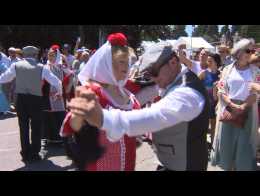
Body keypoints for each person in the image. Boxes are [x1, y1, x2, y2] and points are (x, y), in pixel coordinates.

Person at [67, 41, 210, 171]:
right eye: (148, 75)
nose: (152, 79)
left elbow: (157, 115)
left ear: (173, 62)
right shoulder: (95, 91)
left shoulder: (188, 92)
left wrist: (104, 118)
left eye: (153, 72)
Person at [60, 33, 140, 171]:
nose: (126, 66)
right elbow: (71, 127)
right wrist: (79, 113)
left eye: (128, 62)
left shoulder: (130, 96)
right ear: (106, 63)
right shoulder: (93, 92)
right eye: (121, 61)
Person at [0, 46, 62, 163]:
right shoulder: (41, 67)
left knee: (23, 127)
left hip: (21, 100)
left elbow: (5, 78)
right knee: (36, 127)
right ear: (35, 55)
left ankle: (25, 152)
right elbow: (56, 81)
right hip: (36, 100)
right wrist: (60, 92)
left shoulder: (16, 66)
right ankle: (35, 153)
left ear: (24, 55)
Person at [211, 39, 260, 171]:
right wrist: (231, 104)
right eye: (248, 51)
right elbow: (221, 89)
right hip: (229, 109)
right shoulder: (227, 69)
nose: (251, 53)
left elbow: (257, 93)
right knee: (227, 144)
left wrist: (243, 107)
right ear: (238, 52)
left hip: (248, 111)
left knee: (244, 146)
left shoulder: (256, 71)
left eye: (253, 51)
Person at [41, 45, 67, 153]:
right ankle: (49, 138)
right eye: (49, 55)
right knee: (48, 116)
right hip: (47, 94)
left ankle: (60, 139)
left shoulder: (61, 66)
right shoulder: (45, 66)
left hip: (59, 95)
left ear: (57, 56)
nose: (50, 57)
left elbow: (67, 78)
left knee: (58, 115)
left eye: (52, 55)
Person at [198, 53, 221, 149]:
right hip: (206, 102)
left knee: (214, 124)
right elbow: (196, 85)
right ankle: (202, 144)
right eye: (208, 60)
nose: (208, 62)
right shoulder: (203, 73)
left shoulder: (221, 74)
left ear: (216, 62)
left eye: (210, 60)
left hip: (216, 101)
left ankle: (212, 145)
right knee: (204, 124)